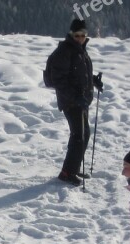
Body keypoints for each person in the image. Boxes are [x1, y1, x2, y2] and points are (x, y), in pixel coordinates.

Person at [48, 18, 103, 186]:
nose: (81, 38)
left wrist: (93, 81)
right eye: (77, 35)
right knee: (80, 135)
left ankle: (73, 167)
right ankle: (67, 173)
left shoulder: (80, 50)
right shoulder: (64, 51)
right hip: (71, 102)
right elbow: (58, 79)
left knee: (83, 135)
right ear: (71, 34)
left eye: (83, 35)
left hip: (81, 101)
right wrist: (75, 97)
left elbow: (79, 74)